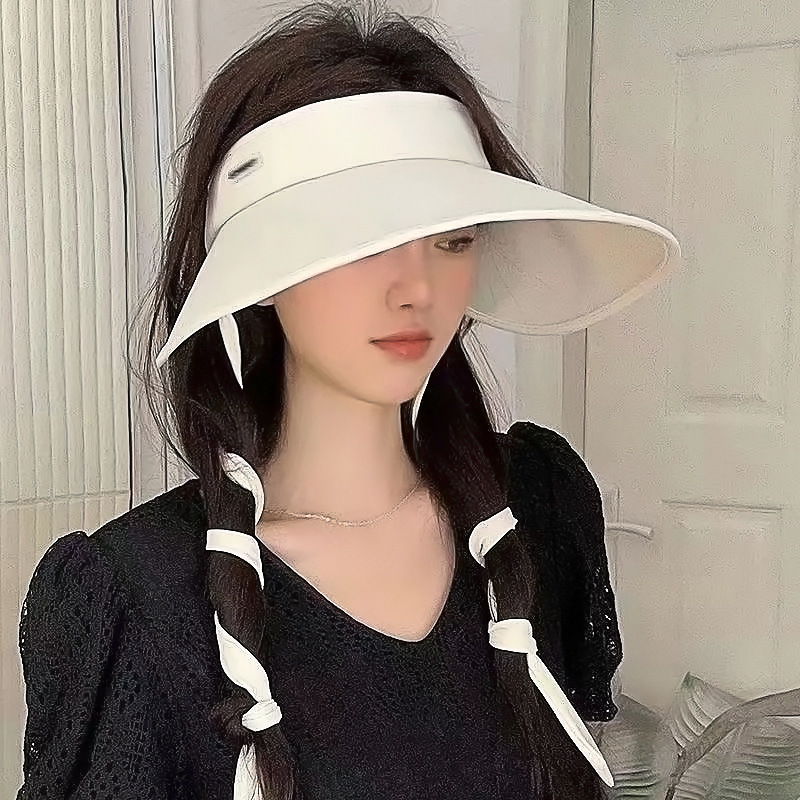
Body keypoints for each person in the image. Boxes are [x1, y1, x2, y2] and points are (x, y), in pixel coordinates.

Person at [16, 3, 680, 799]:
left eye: (452, 239)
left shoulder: (539, 506)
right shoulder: (137, 597)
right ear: (258, 274)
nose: (417, 288)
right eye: (365, 241)